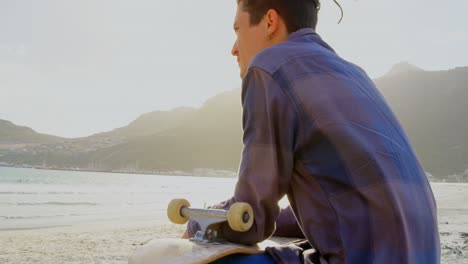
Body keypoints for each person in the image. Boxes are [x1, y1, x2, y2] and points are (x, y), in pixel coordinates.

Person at [184, 0, 441, 263]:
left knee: (188, 258)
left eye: (238, 29)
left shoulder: (268, 67)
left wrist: (197, 222)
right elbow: (349, 204)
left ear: (270, 22)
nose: (234, 49)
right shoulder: (354, 73)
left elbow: (250, 220)